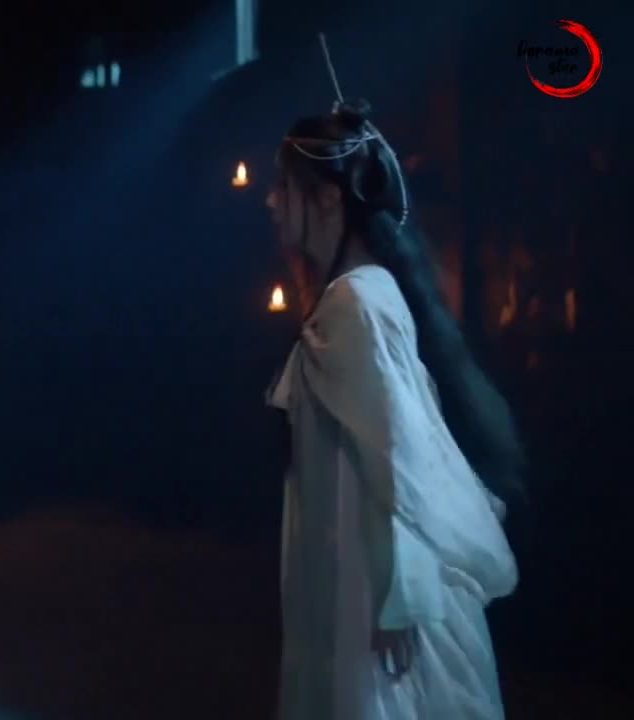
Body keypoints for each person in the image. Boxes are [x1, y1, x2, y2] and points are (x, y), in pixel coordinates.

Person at [264, 97, 523, 720]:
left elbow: (405, 457)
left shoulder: (357, 303)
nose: (271, 202)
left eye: (285, 187)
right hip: (350, 565)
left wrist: (405, 594)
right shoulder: (355, 296)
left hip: (373, 590)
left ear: (328, 199)